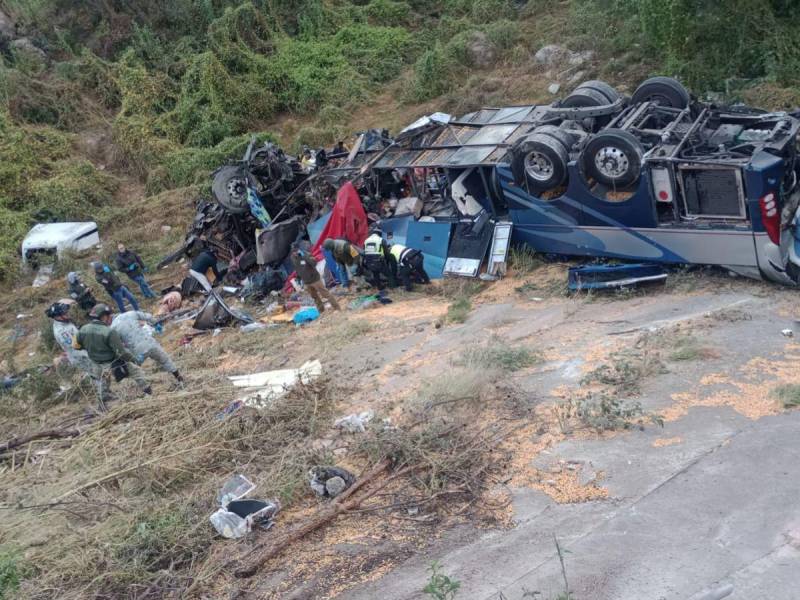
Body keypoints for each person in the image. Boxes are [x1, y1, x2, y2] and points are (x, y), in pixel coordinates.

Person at [75, 303, 151, 407]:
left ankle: (102, 407)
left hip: (96, 363)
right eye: (109, 315)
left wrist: (90, 347)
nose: (111, 317)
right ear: (104, 316)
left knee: (101, 385)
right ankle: (149, 393)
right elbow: (121, 352)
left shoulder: (83, 329)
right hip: (112, 362)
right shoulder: (109, 332)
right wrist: (134, 359)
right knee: (137, 372)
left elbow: (76, 346)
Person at [111, 310, 184, 386]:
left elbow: (118, 345)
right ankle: (179, 378)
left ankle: (146, 389)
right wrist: (155, 323)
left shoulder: (113, 327)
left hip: (137, 351)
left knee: (136, 371)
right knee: (165, 360)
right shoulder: (130, 314)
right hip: (150, 343)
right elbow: (147, 316)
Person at [46, 301, 94, 376]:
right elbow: (75, 347)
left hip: (83, 352)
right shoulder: (62, 332)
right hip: (82, 357)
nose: (67, 313)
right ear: (57, 316)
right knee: (97, 376)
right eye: (64, 313)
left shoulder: (64, 322)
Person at [290, 246, 341, 313]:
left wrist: (304, 256)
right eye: (293, 253)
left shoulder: (306, 254)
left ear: (299, 250)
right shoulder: (293, 258)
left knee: (325, 294)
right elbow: (297, 268)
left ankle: (337, 308)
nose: (295, 254)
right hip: (306, 281)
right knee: (315, 297)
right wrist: (299, 277)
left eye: (296, 252)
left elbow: (314, 263)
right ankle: (321, 311)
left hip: (315, 279)